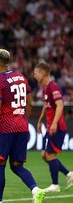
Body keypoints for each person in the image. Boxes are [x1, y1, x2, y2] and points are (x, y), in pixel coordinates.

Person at [0, 49, 45, 203]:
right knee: (16, 165)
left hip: (5, 127)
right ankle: (36, 189)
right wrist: (22, 119)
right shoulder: (21, 77)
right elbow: (29, 103)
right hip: (21, 126)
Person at [34, 62, 73, 192]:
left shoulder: (53, 87)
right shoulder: (45, 88)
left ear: (43, 73)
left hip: (57, 127)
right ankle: (69, 174)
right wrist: (40, 121)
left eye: (36, 73)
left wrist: (55, 123)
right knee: (44, 155)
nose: (34, 75)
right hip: (50, 126)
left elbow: (60, 105)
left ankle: (55, 185)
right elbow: (46, 107)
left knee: (49, 155)